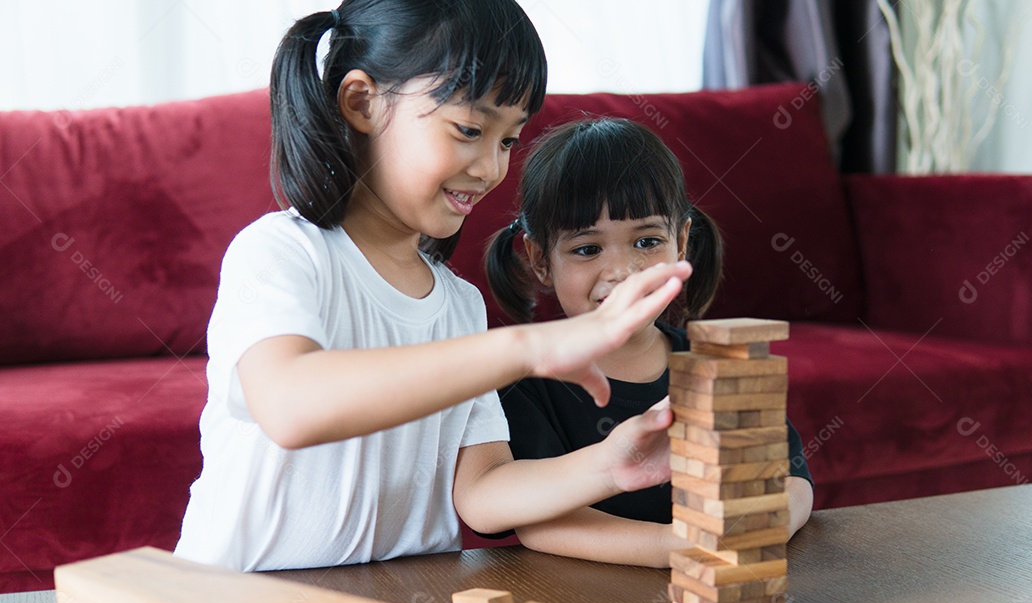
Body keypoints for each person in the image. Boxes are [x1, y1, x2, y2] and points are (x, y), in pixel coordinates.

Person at [174, 0, 693, 572]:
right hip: (239, 602)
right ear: (362, 102)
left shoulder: (460, 305)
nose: (492, 168)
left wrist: (610, 463)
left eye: (508, 141)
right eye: (470, 129)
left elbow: (483, 491)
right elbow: (291, 406)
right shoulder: (282, 253)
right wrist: (528, 349)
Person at [482, 118, 814, 568]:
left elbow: (792, 480)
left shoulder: (713, 364)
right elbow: (541, 523)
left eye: (646, 241)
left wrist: (759, 528)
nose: (623, 271)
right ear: (540, 259)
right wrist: (672, 547)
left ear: (680, 243)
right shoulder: (526, 381)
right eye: (587, 249)